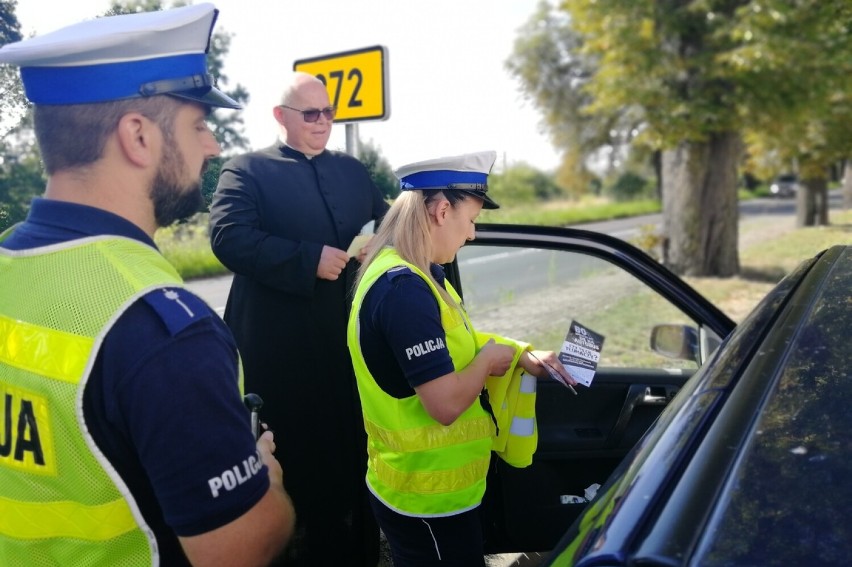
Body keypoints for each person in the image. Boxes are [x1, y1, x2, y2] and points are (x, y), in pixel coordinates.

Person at [0, 5, 295, 565]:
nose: (212, 147)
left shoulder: (10, 259)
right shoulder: (160, 331)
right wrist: (267, 479)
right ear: (137, 135)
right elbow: (240, 547)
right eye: (198, 125)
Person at [346, 151, 578, 566]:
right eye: (470, 222)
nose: (470, 235)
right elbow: (446, 404)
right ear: (440, 211)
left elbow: (457, 341)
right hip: (429, 501)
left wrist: (517, 353)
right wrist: (487, 362)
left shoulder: (409, 272)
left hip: (428, 489)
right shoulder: (405, 291)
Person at [208, 71, 389, 566]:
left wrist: (381, 240)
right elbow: (227, 237)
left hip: (345, 345)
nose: (323, 121)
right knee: (296, 468)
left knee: (353, 460)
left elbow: (385, 220)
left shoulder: (352, 170)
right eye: (311, 113)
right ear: (280, 117)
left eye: (329, 112)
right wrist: (307, 258)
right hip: (280, 353)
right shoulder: (246, 170)